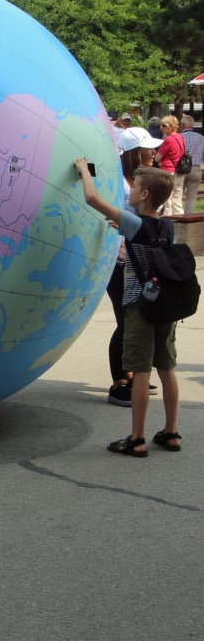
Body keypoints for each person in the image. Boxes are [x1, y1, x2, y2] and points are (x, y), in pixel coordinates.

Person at [74, 160, 181, 457]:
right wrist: (124, 226)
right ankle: (171, 432)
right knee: (166, 368)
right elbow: (151, 243)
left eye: (135, 187)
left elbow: (92, 199)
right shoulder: (167, 226)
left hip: (139, 307)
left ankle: (136, 439)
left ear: (144, 195)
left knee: (141, 371)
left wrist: (83, 170)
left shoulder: (135, 224)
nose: (130, 191)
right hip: (165, 307)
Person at [106, 128, 163, 407]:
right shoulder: (120, 183)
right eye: (148, 149)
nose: (153, 153)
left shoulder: (137, 181)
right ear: (134, 153)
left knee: (133, 320)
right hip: (118, 260)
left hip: (134, 260)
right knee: (125, 321)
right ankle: (119, 382)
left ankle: (133, 376)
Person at [154, 115, 184, 215]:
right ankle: (180, 218)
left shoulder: (168, 139)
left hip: (167, 170)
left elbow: (157, 158)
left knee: (167, 198)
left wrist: (159, 161)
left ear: (171, 126)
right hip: (179, 169)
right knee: (177, 197)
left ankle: (168, 218)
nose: (161, 128)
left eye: (164, 126)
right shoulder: (181, 137)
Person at [180, 114, 204, 213]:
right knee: (192, 198)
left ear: (182, 125)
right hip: (196, 168)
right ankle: (188, 216)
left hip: (181, 168)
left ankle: (177, 215)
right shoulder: (201, 138)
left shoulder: (179, 137)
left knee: (178, 195)